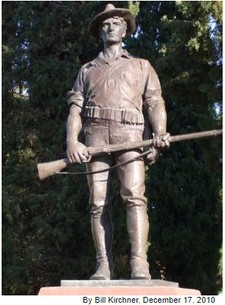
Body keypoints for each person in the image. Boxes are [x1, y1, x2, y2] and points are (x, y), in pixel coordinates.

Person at [66, 3, 170, 280]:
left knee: (134, 198)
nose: (110, 27)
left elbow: (154, 101)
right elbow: (75, 109)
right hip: (95, 137)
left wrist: (159, 132)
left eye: (116, 23)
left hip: (131, 137)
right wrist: (72, 142)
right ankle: (103, 264)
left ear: (125, 30)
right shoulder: (87, 70)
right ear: (100, 32)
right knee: (98, 203)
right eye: (105, 24)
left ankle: (139, 262)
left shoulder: (141, 66)